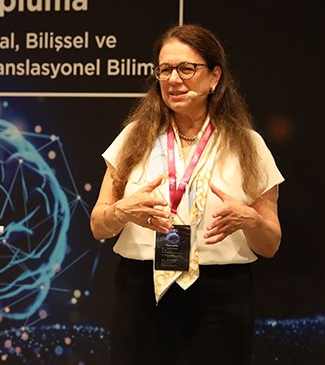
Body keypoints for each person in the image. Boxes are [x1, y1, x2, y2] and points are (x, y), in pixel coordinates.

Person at [90, 24, 284, 364]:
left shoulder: (248, 145)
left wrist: (251, 220)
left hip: (219, 297)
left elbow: (269, 245)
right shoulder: (134, 138)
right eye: (165, 70)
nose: (173, 80)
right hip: (141, 291)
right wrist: (121, 212)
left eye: (186, 69)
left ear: (214, 77)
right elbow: (98, 225)